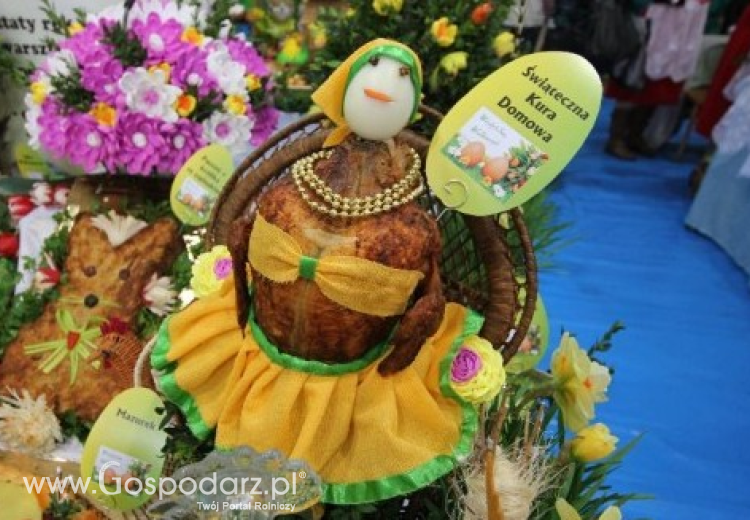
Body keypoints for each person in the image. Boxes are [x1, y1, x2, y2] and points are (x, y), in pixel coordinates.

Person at [605, 0, 710, 160]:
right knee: (634, 82)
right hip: (652, 22)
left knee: (658, 87)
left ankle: (635, 134)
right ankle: (616, 139)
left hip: (684, 26)